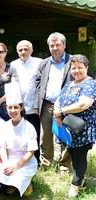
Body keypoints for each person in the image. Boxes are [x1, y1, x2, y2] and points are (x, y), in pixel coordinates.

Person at [53, 55, 96, 198]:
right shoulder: (70, 83)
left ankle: (75, 186)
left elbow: (83, 104)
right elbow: (59, 99)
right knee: (71, 152)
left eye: (80, 67)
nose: (76, 71)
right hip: (68, 127)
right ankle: (81, 181)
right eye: (73, 68)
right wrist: (56, 112)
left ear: (87, 68)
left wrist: (62, 111)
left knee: (79, 157)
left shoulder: (90, 84)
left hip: (82, 127)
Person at [0, 82, 38, 197]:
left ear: (21, 108)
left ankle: (24, 183)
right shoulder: (4, 126)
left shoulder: (29, 127)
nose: (13, 110)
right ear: (6, 108)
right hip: (9, 159)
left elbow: (31, 152)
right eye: (10, 107)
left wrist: (16, 166)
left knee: (20, 183)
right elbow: (3, 148)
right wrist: (6, 165)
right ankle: (12, 184)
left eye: (16, 107)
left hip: (25, 162)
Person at [35, 32, 72, 170]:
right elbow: (38, 85)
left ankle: (64, 166)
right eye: (52, 45)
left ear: (64, 45)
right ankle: (45, 163)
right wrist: (37, 105)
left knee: (65, 135)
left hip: (66, 107)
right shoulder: (44, 63)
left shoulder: (72, 61)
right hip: (47, 105)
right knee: (45, 137)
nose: (55, 48)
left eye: (58, 45)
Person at [10, 40, 43, 162]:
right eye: (20, 50)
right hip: (18, 106)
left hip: (34, 105)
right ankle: (21, 157)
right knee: (20, 133)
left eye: (26, 49)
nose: (23, 52)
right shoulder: (13, 64)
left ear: (31, 50)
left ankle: (37, 159)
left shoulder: (39, 62)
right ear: (17, 51)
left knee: (35, 132)